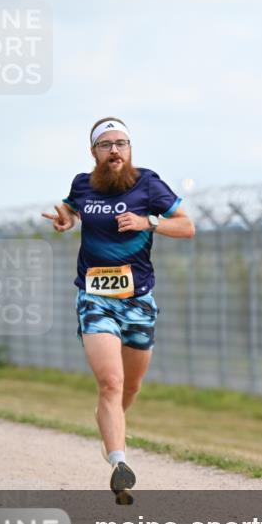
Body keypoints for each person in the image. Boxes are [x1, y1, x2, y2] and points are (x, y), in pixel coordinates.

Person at [42, 117, 195, 503]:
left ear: (130, 149)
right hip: (94, 297)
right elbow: (70, 211)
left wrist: (149, 222)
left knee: (130, 385)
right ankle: (119, 462)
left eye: (121, 143)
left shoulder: (148, 184)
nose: (115, 150)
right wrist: (65, 220)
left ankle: (110, 425)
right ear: (93, 152)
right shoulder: (84, 183)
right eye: (106, 144)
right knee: (110, 382)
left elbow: (187, 226)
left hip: (139, 299)